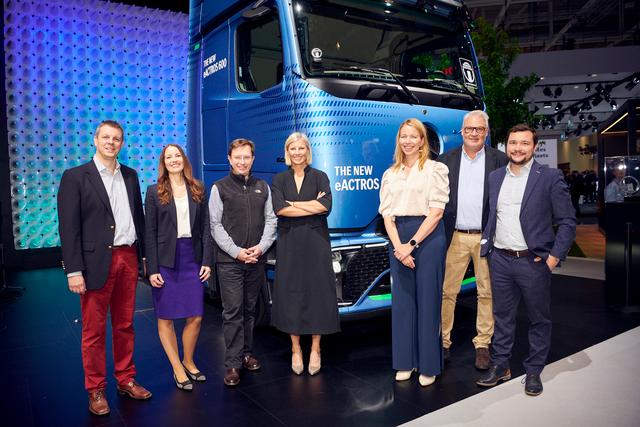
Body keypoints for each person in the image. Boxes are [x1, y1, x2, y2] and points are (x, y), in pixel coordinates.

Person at [57, 120, 151, 416]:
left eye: (117, 138)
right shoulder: (75, 176)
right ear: (95, 140)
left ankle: (125, 379)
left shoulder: (131, 175)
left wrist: (144, 259)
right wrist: (74, 270)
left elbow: (138, 219)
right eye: (106, 137)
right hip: (94, 262)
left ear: (122, 143)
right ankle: (96, 389)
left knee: (125, 325)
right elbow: (69, 227)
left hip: (128, 257)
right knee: (93, 331)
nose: (111, 142)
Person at [477, 124, 576, 396]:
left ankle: (533, 370)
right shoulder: (496, 177)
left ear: (534, 147)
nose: (517, 148)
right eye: (513, 143)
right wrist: (488, 247)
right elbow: (491, 215)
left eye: (524, 143)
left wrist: (553, 258)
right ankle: (501, 365)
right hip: (500, 260)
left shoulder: (550, 177)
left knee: (538, 319)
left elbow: (567, 221)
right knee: (502, 317)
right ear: (506, 145)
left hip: (533, 261)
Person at [379, 118, 449, 387]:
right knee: (403, 303)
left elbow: (437, 212)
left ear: (422, 141)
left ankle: (429, 364)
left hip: (428, 237)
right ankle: (405, 362)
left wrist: (411, 244)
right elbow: (387, 215)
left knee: (429, 301)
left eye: (413, 136)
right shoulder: (390, 173)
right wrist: (399, 247)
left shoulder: (435, 169)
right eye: (403, 136)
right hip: (398, 238)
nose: (407, 141)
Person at [436, 110, 507, 370]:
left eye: (479, 129)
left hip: (486, 237)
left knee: (486, 292)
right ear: (462, 131)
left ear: (486, 132)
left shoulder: (500, 160)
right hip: (454, 236)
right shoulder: (445, 161)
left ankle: (483, 344)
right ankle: (443, 341)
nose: (473, 133)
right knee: (447, 292)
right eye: (469, 129)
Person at [270, 132, 340, 376]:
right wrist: (309, 205)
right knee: (291, 293)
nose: (297, 152)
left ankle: (316, 349)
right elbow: (279, 209)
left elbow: (325, 206)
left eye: (301, 148)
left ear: (308, 151)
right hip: (289, 243)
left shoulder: (320, 176)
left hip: (316, 243)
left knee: (317, 293)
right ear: (287, 152)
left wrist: (293, 204)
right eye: (293, 148)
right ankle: (296, 349)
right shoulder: (279, 179)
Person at [209, 138, 277, 386]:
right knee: (233, 311)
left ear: (253, 159)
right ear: (229, 159)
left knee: (250, 310)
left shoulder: (263, 187)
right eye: (237, 157)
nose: (242, 161)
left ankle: (246, 354)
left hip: (256, 259)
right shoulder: (219, 188)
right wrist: (237, 252)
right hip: (230, 262)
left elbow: (271, 220)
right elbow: (215, 225)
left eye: (246, 157)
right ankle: (233, 363)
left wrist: (261, 247)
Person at [144, 144, 212, 391]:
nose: (174, 159)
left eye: (177, 155)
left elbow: (206, 228)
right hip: (165, 261)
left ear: (184, 159)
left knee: (196, 316)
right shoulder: (154, 192)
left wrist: (207, 261)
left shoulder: (198, 188)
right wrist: (152, 269)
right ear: (163, 163)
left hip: (192, 258)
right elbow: (149, 233)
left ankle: (188, 361)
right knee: (166, 318)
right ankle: (177, 368)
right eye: (168, 157)